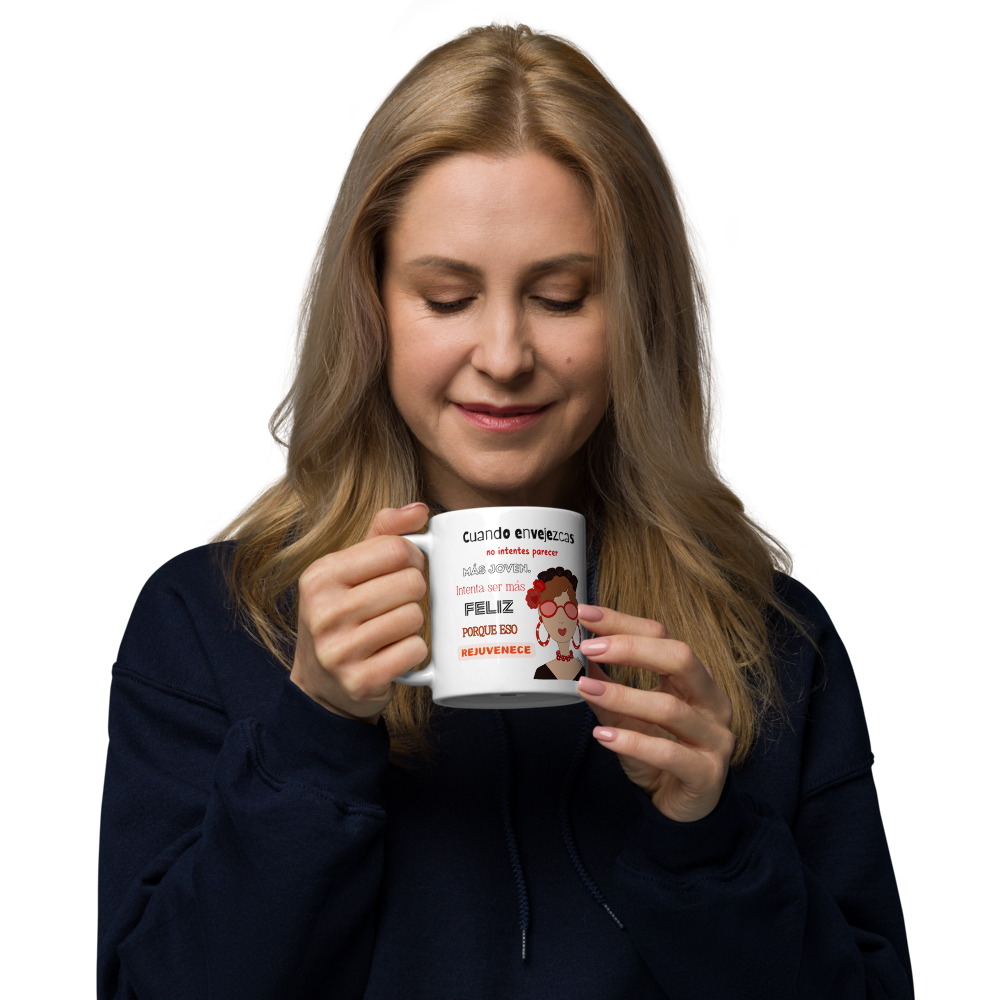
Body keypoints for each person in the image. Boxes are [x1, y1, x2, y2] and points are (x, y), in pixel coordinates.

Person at [97, 12, 915, 999]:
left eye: (561, 295)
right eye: (446, 297)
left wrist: (711, 838)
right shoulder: (206, 621)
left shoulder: (774, 641)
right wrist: (311, 730)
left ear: (638, 315)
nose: (503, 356)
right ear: (371, 305)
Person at [529, 568, 586, 680]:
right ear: (540, 613)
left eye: (569, 608)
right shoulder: (541, 672)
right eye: (549, 608)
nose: (561, 619)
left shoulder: (584, 669)